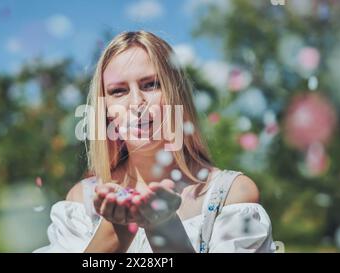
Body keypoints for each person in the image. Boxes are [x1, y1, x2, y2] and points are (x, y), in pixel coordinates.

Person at [34, 30, 275, 253]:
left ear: (176, 93)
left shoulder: (229, 195)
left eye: (151, 85)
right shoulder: (82, 203)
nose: (137, 103)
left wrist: (165, 229)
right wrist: (113, 229)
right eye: (119, 91)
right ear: (105, 108)